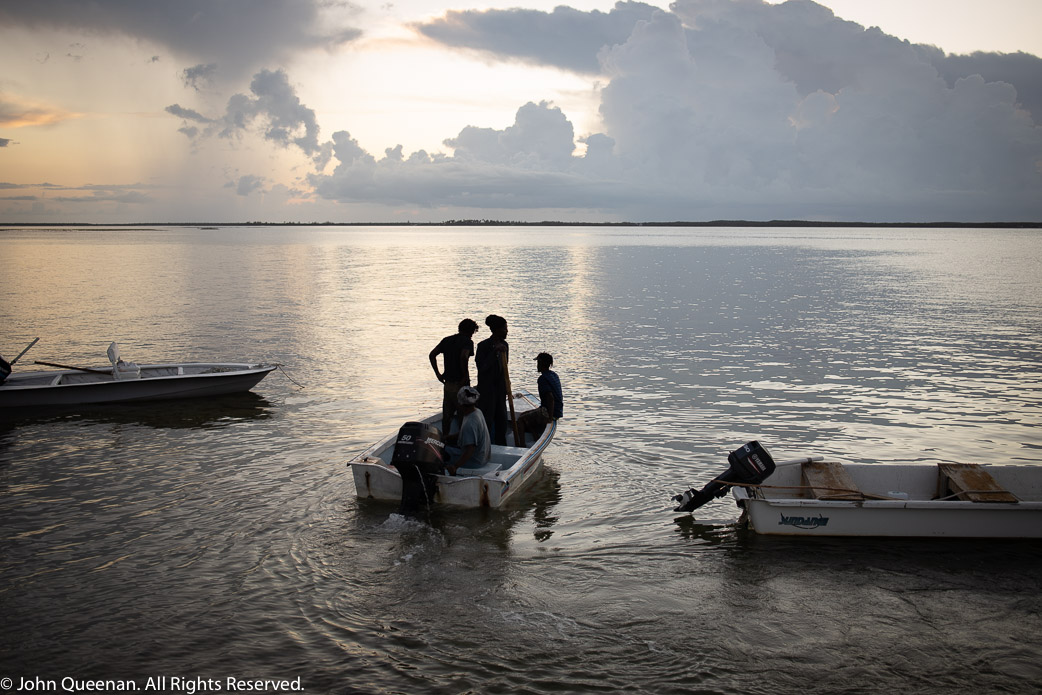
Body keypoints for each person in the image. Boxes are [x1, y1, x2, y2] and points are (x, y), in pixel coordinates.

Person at [429, 318, 479, 434]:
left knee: (447, 415)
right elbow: (464, 356)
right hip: (460, 385)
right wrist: (465, 375)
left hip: (448, 384)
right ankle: (463, 442)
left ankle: (445, 440)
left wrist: (438, 373)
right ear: (471, 331)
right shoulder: (467, 342)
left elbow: (432, 355)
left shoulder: (447, 340)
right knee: (464, 415)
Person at [475, 314, 510, 445]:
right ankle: (485, 446)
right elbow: (482, 368)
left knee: (502, 421)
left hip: (500, 389)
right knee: (487, 420)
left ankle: (501, 446)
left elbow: (504, 369)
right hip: (487, 390)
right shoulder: (483, 346)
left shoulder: (505, 345)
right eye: (505, 328)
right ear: (497, 330)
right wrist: (494, 352)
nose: (507, 331)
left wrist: (507, 387)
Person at [517, 352, 564, 446]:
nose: (537, 365)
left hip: (550, 411)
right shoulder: (554, 375)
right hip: (558, 410)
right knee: (525, 415)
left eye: (538, 363)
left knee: (521, 419)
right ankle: (535, 436)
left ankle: (521, 445)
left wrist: (549, 417)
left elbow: (550, 398)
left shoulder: (542, 379)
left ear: (541, 364)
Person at [444, 386, 491, 475]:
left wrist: (455, 467)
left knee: (443, 452)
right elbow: (465, 433)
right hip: (483, 457)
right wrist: (447, 437)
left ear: (460, 404)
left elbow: (470, 450)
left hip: (475, 461)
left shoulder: (469, 423)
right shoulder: (477, 412)